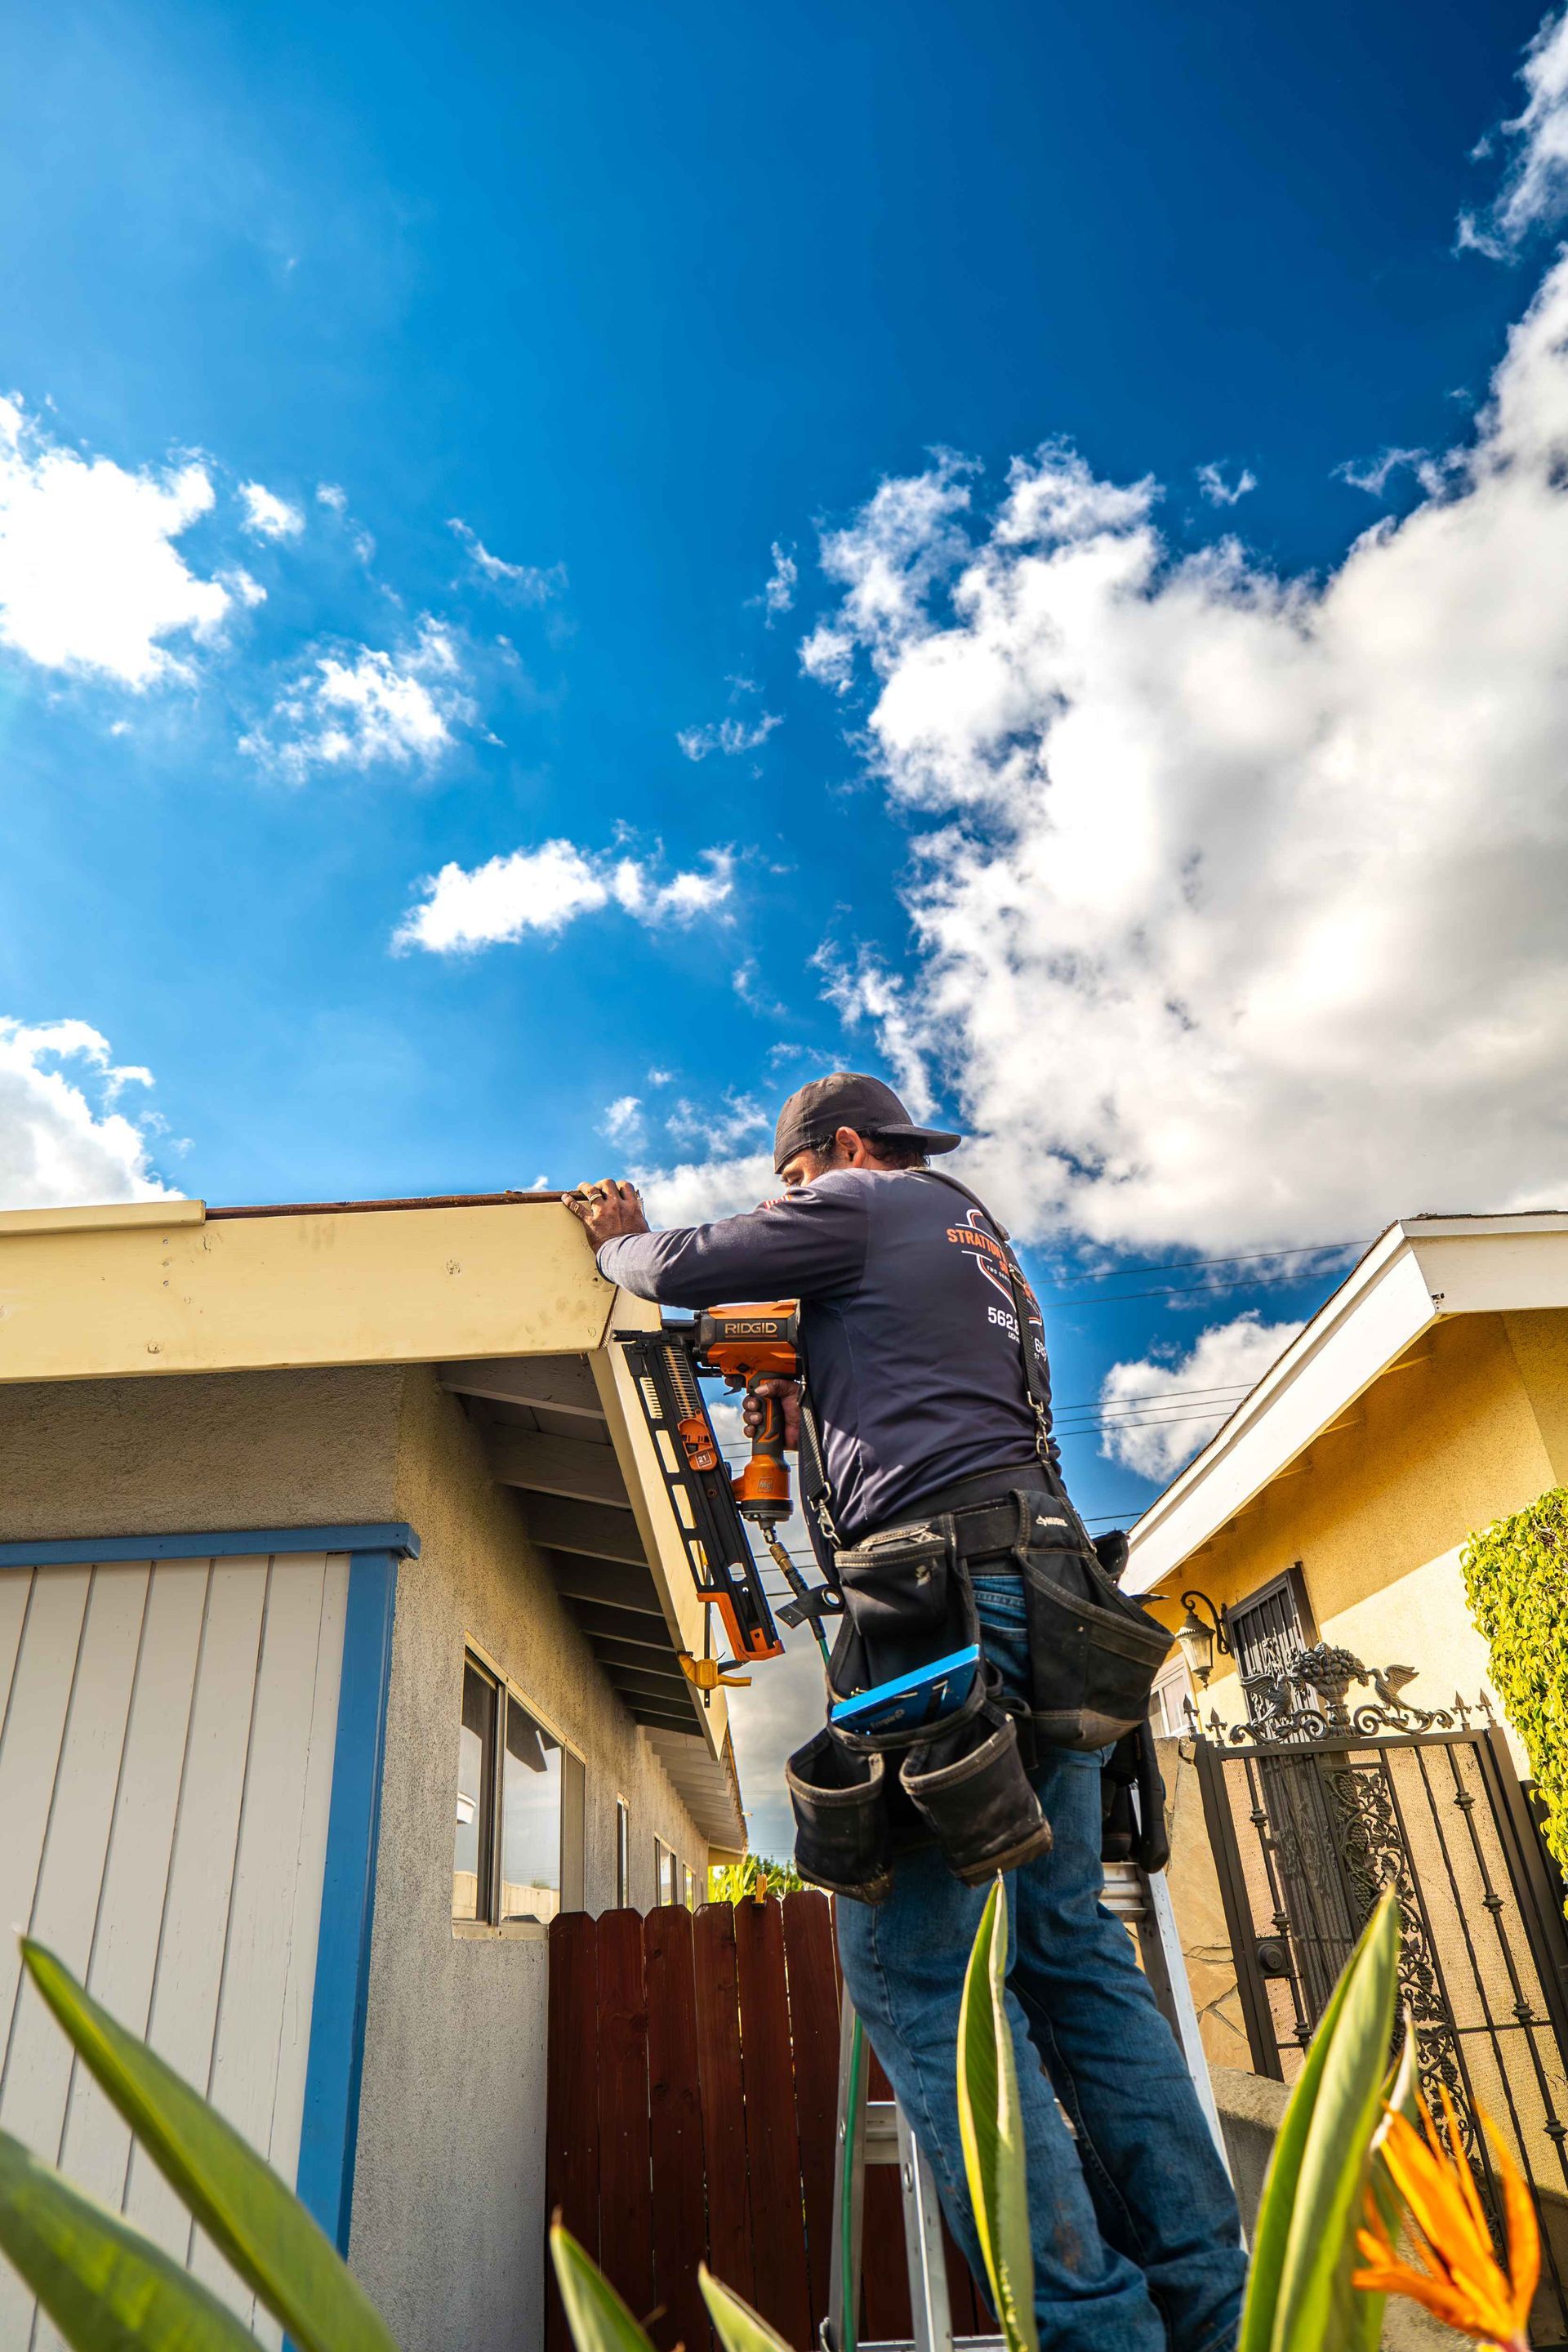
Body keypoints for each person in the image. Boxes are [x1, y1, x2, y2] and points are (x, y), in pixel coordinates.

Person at [567, 1071, 1245, 2352]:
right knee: (1069, 1959)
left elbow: (681, 1266)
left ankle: (1097, 2331)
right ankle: (1221, 2312)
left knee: (912, 1967)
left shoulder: (863, 1200)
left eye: (793, 1183)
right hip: (1050, 1599)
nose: (792, 1203)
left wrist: (619, 1236)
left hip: (947, 1611)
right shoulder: (975, 1239)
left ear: (833, 1149)